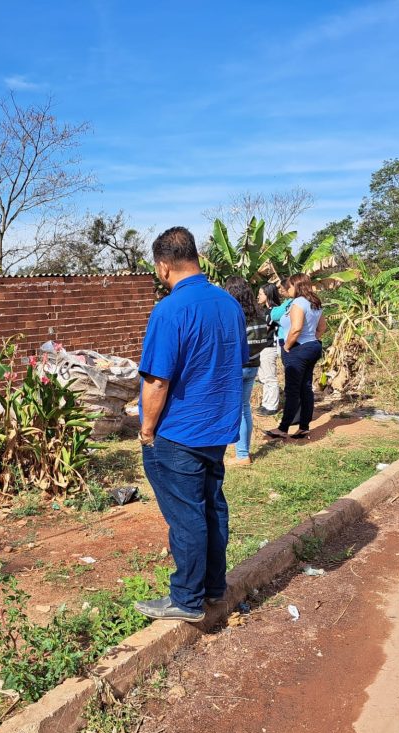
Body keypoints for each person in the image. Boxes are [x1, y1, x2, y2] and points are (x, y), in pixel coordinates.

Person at [134, 227, 248, 623]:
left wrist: (147, 429)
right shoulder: (229, 305)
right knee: (212, 508)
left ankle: (186, 598)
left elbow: (157, 380)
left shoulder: (170, 309)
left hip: (177, 432)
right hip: (216, 428)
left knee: (187, 516)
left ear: (164, 266)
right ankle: (214, 588)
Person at [265, 274, 327, 440]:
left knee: (292, 390)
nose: (287, 289)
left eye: (289, 286)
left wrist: (287, 346)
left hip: (298, 348)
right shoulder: (315, 302)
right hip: (312, 346)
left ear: (297, 286)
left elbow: (296, 328)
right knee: (305, 388)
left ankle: (283, 428)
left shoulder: (298, 303)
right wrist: (311, 339)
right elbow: (322, 327)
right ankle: (304, 427)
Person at [224, 276, 272, 466]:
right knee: (244, 408)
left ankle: (241, 455)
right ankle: (242, 452)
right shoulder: (260, 314)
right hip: (253, 366)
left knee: (233, 409)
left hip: (236, 368)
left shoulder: (233, 316)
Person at [256, 283, 282, 416]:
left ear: (268, 295)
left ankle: (272, 406)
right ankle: (266, 403)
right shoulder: (265, 311)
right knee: (264, 377)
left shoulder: (273, 311)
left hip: (269, 347)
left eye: (261, 294)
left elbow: (264, 330)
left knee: (270, 377)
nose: (258, 296)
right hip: (263, 347)